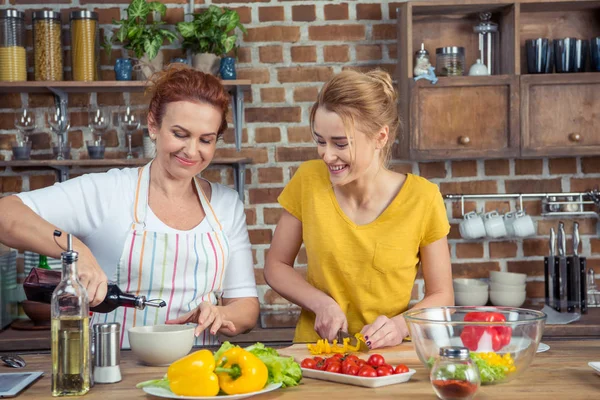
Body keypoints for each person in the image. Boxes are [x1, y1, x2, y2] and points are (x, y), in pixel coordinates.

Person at [0, 66, 259, 348]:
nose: (192, 150)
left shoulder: (226, 204)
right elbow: (6, 214)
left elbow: (245, 307)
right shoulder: (108, 191)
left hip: (199, 377)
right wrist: (76, 250)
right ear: (153, 126)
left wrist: (220, 313)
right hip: (116, 372)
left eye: (206, 140)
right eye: (180, 134)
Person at [264, 69, 453, 350]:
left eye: (341, 143)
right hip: (316, 352)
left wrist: (401, 326)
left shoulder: (423, 198)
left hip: (386, 356)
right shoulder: (308, 180)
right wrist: (321, 303)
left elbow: (442, 295)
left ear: (380, 137)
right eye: (320, 141)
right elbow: (275, 266)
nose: (327, 155)